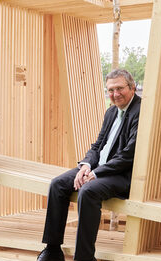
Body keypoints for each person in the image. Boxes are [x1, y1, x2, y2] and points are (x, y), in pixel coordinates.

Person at [37, 69, 141, 261]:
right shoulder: (111, 111)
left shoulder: (140, 111)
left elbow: (129, 154)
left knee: (88, 191)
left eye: (120, 88)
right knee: (58, 184)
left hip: (123, 175)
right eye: (110, 90)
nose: (115, 94)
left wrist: (97, 173)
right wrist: (86, 166)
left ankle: (84, 257)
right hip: (99, 169)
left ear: (132, 87)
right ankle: (52, 249)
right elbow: (98, 145)